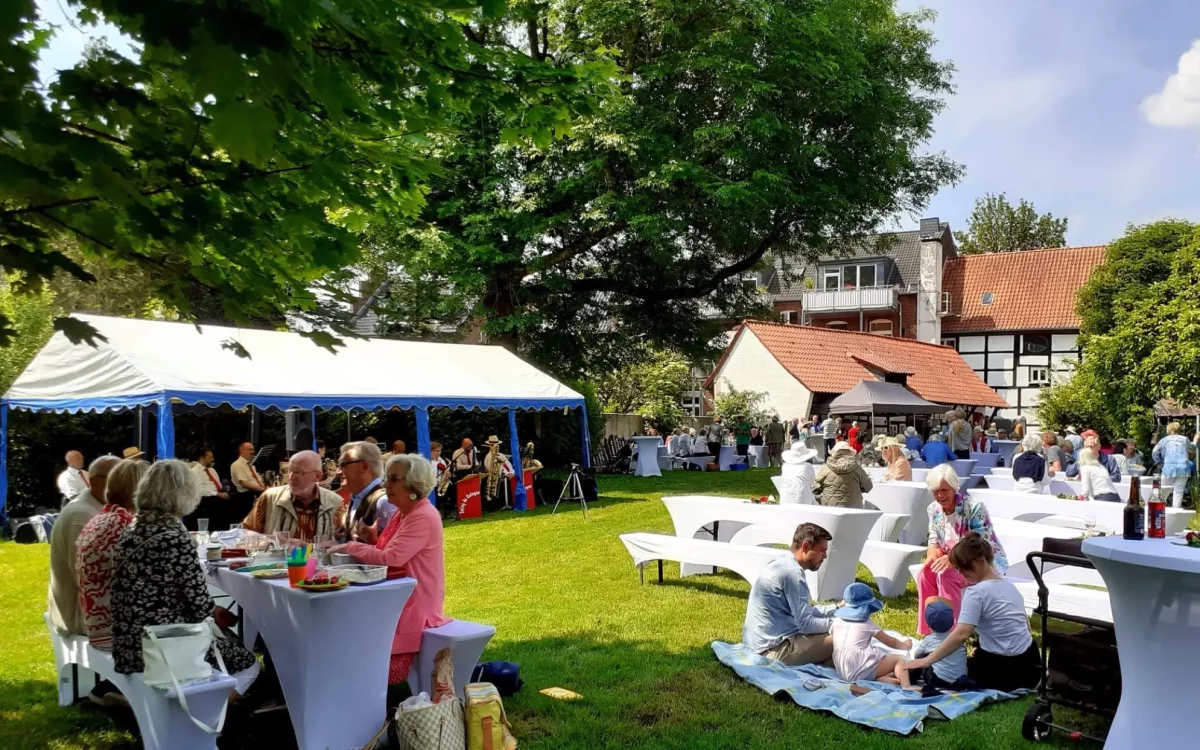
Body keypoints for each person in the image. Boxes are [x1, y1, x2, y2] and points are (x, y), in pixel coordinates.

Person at [111, 460, 259, 695]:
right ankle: (216, 714)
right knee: (248, 665)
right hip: (165, 643)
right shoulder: (175, 537)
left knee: (227, 640)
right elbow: (199, 606)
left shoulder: (132, 529)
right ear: (185, 494)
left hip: (127, 640)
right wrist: (216, 612)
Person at [333, 454, 450, 684]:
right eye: (387, 478)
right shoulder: (405, 512)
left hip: (415, 604)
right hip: (398, 596)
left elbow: (392, 558)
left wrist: (351, 546)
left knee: (375, 662)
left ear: (413, 483)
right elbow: (392, 552)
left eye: (393, 478)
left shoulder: (422, 515)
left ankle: (366, 689)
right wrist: (373, 538)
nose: (386, 484)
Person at [908, 533, 1039, 692]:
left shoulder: (976, 593)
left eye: (964, 567)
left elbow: (961, 634)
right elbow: (1021, 627)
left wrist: (928, 660)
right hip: (1031, 667)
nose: (961, 572)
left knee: (947, 671)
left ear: (981, 561)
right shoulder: (1010, 588)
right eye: (956, 568)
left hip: (1003, 673)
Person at [916, 464, 1007, 634]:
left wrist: (952, 559)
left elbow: (978, 545)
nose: (940, 495)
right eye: (935, 491)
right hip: (950, 557)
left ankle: (953, 630)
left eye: (944, 490)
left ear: (954, 487)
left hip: (980, 562)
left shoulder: (974, 507)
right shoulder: (933, 509)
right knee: (924, 574)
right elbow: (934, 538)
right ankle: (929, 630)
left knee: (946, 575)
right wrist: (931, 554)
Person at [76, 458, 149, 651]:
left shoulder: (101, 519)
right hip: (122, 636)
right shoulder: (125, 524)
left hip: (97, 628)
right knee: (224, 646)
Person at [742, 523, 838, 665]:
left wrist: (836, 607)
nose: (825, 556)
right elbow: (807, 624)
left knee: (838, 649)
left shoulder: (782, 562)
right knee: (846, 637)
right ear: (805, 546)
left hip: (758, 645)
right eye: (822, 550)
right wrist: (840, 624)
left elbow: (805, 612)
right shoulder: (793, 573)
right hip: (771, 651)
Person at [49, 455, 120, 638]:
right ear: (96, 481)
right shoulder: (81, 515)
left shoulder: (99, 508)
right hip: (80, 618)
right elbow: (88, 581)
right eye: (119, 478)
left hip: (93, 609)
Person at [243, 450, 343, 542]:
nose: (291, 477)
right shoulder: (270, 497)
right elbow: (245, 533)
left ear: (318, 476)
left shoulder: (335, 502)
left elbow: (343, 540)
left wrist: (335, 543)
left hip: (318, 561)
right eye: (289, 471)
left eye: (298, 472)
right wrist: (272, 540)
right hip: (280, 561)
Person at [830, 582, 912, 686]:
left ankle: (881, 678)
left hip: (842, 671)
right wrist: (905, 645)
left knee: (877, 660)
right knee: (899, 660)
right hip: (860, 671)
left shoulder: (836, 621)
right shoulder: (867, 624)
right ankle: (907, 686)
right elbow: (891, 642)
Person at [904, 598, 969, 692]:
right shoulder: (956, 639)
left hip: (938, 680)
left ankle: (910, 679)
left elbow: (918, 657)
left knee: (920, 658)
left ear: (927, 623)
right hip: (960, 680)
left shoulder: (929, 640)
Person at [336, 441, 395, 542]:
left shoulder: (385, 502)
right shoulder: (357, 498)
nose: (339, 471)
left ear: (364, 466)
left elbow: (395, 551)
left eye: (343, 465)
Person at [814, 442, 872, 509]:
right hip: (854, 511)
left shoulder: (826, 469)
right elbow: (868, 487)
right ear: (850, 452)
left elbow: (815, 489)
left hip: (830, 511)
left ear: (834, 453)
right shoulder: (857, 468)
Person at [1153, 422, 1194, 508]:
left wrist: (1159, 461)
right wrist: (1195, 441)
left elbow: (1155, 451)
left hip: (1168, 468)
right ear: (1179, 429)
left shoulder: (1164, 440)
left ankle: (1159, 509)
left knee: (1163, 490)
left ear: (1168, 430)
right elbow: (1192, 447)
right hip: (1183, 468)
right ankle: (1175, 511)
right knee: (1179, 491)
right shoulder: (1185, 439)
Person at [189, 446, 229, 530]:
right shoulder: (195, 472)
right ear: (202, 457)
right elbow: (200, 491)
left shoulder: (212, 471)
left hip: (218, 495)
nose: (212, 459)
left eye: (212, 457)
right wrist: (217, 494)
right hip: (205, 499)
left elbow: (219, 485)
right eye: (210, 457)